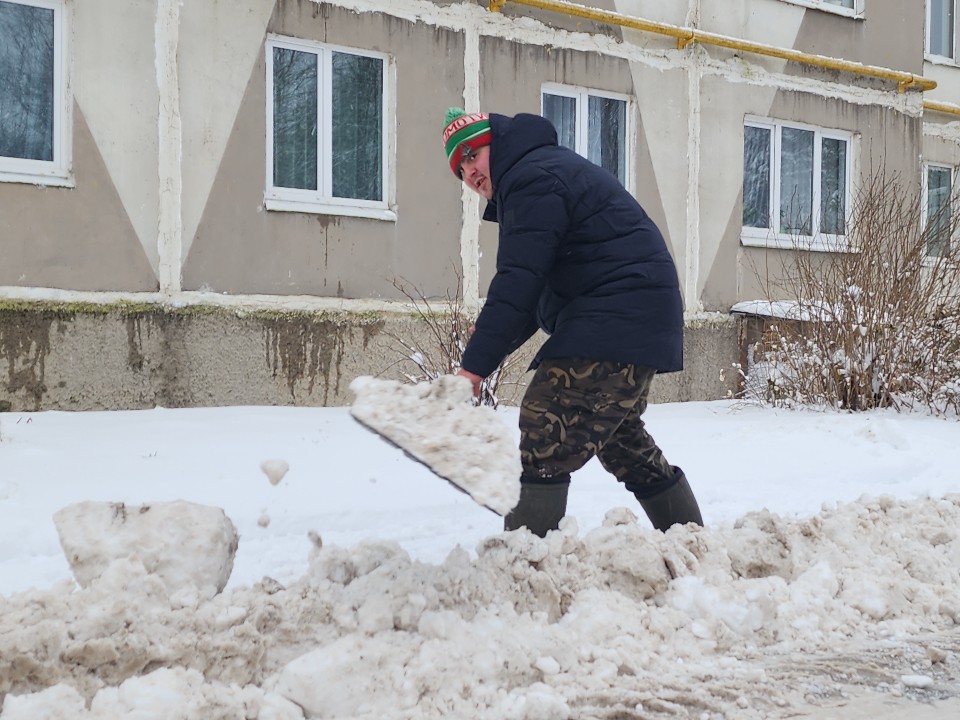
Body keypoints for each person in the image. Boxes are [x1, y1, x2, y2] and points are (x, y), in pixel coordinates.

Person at [441, 106, 703, 537]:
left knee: (547, 421)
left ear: (498, 143)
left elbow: (517, 281)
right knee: (621, 439)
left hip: (619, 310)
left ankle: (525, 567)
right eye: (460, 169)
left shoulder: (532, 178)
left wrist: (473, 367)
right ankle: (691, 542)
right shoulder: (538, 174)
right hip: (634, 311)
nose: (470, 172)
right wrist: (488, 344)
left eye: (472, 154)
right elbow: (529, 293)